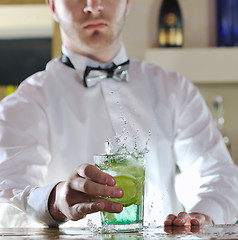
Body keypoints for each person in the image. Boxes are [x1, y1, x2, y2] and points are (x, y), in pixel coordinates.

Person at [0, 0, 238, 228]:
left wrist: (202, 216)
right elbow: (6, 202)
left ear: (127, 2)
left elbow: (220, 176)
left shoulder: (175, 89)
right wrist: (55, 200)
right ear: (52, 5)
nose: (93, 6)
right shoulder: (24, 104)